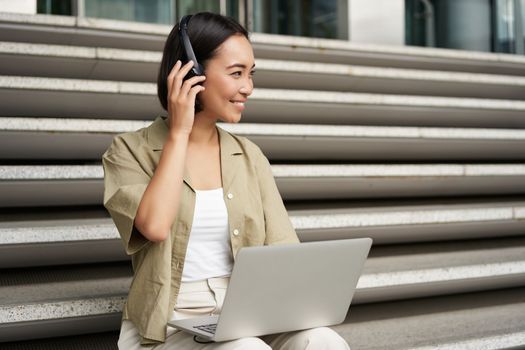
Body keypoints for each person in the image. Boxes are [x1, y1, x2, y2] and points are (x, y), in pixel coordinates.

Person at [102, 12, 350, 349]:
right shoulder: (128, 150)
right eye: (236, 74)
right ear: (192, 72)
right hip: (171, 324)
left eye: (250, 74)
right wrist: (179, 133)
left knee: (323, 341)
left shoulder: (249, 156)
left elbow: (284, 250)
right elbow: (155, 227)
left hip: (246, 313)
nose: (247, 87)